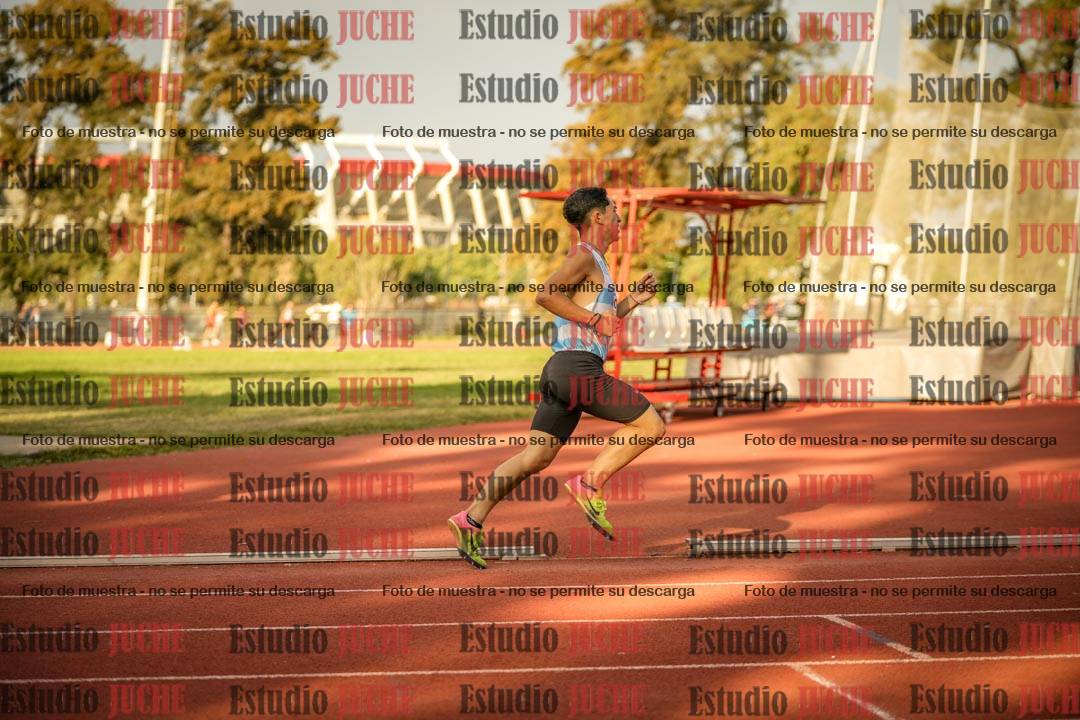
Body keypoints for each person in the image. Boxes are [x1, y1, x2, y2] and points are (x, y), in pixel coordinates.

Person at [448, 187, 666, 569]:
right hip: (578, 369)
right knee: (650, 425)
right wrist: (595, 318)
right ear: (597, 217)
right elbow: (546, 295)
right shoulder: (584, 255)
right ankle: (590, 483)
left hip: (561, 369)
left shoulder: (597, 262)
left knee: (536, 456)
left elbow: (598, 322)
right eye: (614, 211)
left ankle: (470, 519)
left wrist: (631, 302)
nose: (619, 218)